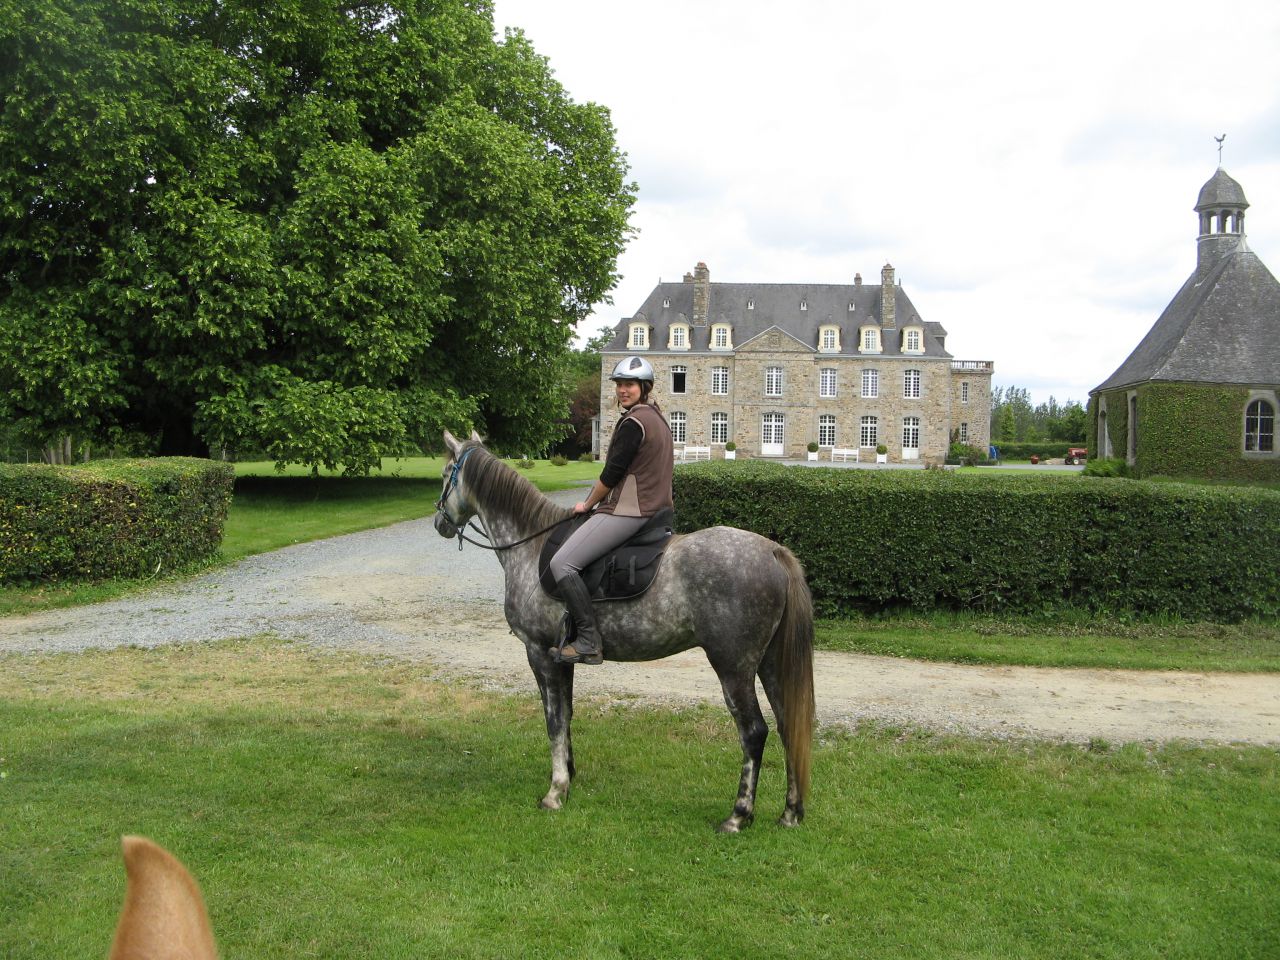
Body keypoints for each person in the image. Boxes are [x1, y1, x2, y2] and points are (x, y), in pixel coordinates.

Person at [547, 355, 674, 664]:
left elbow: (611, 475)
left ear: (644, 387)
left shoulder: (633, 423)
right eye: (619, 385)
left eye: (629, 385)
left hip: (629, 511)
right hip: (658, 510)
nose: (622, 390)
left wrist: (587, 504)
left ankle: (588, 640)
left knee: (562, 563)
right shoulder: (657, 419)